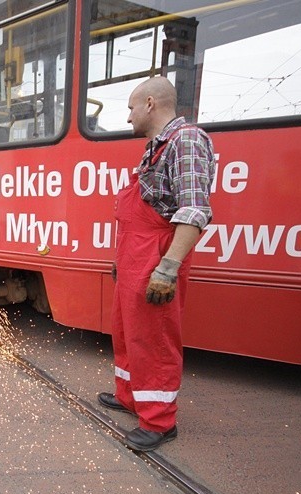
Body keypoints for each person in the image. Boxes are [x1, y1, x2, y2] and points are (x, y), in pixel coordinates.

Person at [98, 77, 215, 451]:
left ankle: (160, 421)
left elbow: (194, 209)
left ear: (150, 103)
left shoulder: (187, 141)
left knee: (155, 339)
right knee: (129, 333)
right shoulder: (157, 147)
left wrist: (167, 268)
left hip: (154, 259)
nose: (128, 116)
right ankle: (132, 396)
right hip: (135, 257)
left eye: (131, 107)